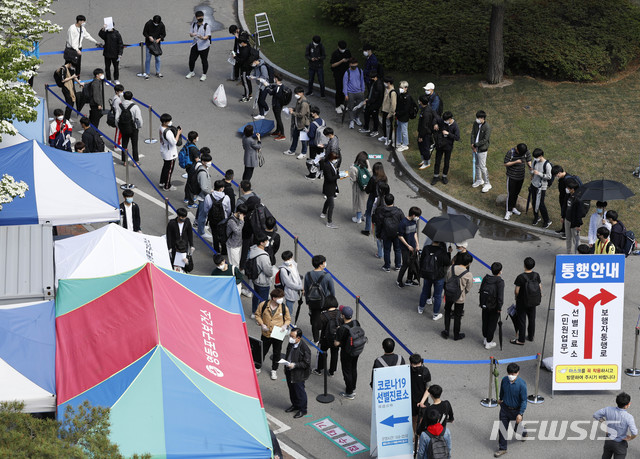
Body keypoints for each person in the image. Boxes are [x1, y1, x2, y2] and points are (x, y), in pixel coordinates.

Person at [255, 289, 291, 380]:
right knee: (262, 351)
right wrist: (262, 324)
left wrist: (285, 325)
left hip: (278, 334)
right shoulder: (263, 305)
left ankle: (274, 370)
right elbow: (257, 315)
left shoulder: (283, 307)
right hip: (266, 333)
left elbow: (288, 319)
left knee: (277, 353)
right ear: (274, 298)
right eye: (279, 297)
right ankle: (257, 367)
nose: (281, 299)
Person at [494, 363, 528, 457]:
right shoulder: (504, 380)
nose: (511, 376)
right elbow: (502, 391)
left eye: (513, 374)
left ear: (518, 373)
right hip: (505, 408)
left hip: (516, 411)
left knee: (517, 429)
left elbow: (524, 400)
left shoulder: (522, 384)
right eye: (509, 374)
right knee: (502, 428)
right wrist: (500, 399)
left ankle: (524, 432)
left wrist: (520, 414)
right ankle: (502, 448)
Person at [593, 392, 638, 459]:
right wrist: (631, 437)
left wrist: (604, 423)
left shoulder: (608, 409)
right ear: (627, 405)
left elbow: (596, 415)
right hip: (620, 444)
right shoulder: (629, 417)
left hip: (608, 441)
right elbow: (634, 432)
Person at [441, 252, 473, 341]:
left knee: (447, 311)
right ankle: (456, 334)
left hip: (449, 293)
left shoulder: (452, 268)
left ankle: (446, 331)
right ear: (469, 263)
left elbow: (447, 279)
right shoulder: (468, 274)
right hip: (460, 297)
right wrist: (462, 292)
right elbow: (468, 288)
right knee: (457, 316)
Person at [304, 255, 335, 342]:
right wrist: (332, 302)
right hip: (324, 301)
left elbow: (306, 289)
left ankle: (316, 339)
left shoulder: (308, 275)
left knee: (314, 320)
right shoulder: (327, 276)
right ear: (321, 265)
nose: (325, 264)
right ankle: (323, 337)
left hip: (312, 301)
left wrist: (307, 301)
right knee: (326, 318)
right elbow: (332, 290)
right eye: (324, 262)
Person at [511, 257, 541, 345]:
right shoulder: (536, 275)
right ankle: (531, 336)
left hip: (522, 302)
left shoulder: (520, 277)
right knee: (532, 319)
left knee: (522, 320)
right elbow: (540, 287)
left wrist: (516, 297)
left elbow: (517, 290)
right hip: (533, 301)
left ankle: (521, 339)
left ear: (524, 265)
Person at [418, 240, 450, 320]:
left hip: (427, 274)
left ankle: (421, 308)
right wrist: (448, 253)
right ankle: (435, 314)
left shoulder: (426, 248)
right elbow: (447, 262)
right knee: (437, 296)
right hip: (438, 276)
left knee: (425, 291)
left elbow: (421, 261)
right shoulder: (442, 251)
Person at [284, 328, 311, 419]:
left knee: (300, 392)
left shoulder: (304, 348)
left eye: (292, 336)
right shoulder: (291, 344)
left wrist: (295, 365)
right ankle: (295, 405)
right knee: (292, 390)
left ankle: (303, 409)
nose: (290, 338)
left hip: (298, 374)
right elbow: (288, 354)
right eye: (290, 336)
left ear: (298, 338)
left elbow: (306, 363)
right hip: (289, 371)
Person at [334, 306, 361, 400]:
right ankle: (353, 386)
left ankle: (349, 392)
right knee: (353, 368)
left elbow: (336, 343)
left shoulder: (342, 329)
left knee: (347, 371)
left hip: (347, 352)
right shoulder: (356, 322)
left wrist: (338, 332)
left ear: (343, 315)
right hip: (356, 350)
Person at [312, 295, 342, 376]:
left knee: (322, 353)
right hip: (336, 338)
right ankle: (332, 371)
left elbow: (318, 327)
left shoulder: (324, 315)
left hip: (325, 338)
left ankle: (319, 369)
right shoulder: (340, 313)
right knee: (335, 354)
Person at [247, 234, 275, 317]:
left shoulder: (253, 250)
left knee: (255, 296)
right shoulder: (264, 256)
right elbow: (268, 271)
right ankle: (260, 317)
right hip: (262, 281)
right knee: (263, 301)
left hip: (255, 278)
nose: (267, 242)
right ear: (261, 243)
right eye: (266, 241)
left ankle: (254, 312)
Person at [502, 143, 532, 220]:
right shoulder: (511, 152)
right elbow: (506, 163)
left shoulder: (526, 152)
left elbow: (529, 160)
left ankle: (513, 207)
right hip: (512, 176)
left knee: (516, 193)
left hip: (520, 176)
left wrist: (531, 168)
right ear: (517, 150)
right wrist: (516, 162)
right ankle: (508, 211)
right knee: (511, 194)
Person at [375, 194, 404, 272]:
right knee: (397, 249)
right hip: (397, 233)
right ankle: (398, 265)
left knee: (387, 250)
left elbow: (379, 224)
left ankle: (387, 266)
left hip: (386, 233)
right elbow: (403, 222)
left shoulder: (380, 211)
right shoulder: (398, 211)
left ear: (385, 201)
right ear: (393, 201)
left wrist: (378, 234)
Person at [431, 111, 460, 186]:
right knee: (437, 161)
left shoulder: (455, 126)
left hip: (448, 147)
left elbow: (457, 137)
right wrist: (435, 124)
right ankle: (436, 176)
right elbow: (435, 118)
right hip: (440, 145)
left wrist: (448, 134)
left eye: (446, 120)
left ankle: (444, 176)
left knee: (446, 162)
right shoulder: (442, 121)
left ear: (450, 119)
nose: (444, 122)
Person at [480, 262, 504, 350]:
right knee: (492, 324)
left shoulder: (486, 278)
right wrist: (499, 307)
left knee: (485, 321)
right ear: (500, 271)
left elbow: (481, 290)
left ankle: (485, 338)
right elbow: (500, 297)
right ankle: (489, 342)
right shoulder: (500, 282)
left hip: (485, 303)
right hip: (494, 306)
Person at [203, 180, 232, 254]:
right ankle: (224, 250)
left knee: (214, 234)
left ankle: (216, 250)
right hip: (223, 219)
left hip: (212, 219)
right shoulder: (226, 198)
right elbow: (228, 210)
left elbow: (206, 209)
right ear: (221, 188)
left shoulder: (208, 197)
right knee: (223, 234)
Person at [396, 206, 422, 288]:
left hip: (413, 246)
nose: (418, 218)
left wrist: (417, 244)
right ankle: (399, 280)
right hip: (405, 248)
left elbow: (414, 233)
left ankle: (409, 280)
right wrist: (408, 246)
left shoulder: (414, 222)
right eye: (417, 216)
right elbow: (400, 236)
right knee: (405, 264)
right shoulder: (403, 223)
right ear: (413, 215)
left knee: (413, 263)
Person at [116, 91, 143, 165]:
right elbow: (138, 119)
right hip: (133, 128)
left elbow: (116, 118)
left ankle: (124, 161)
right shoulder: (135, 107)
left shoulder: (120, 106)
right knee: (134, 145)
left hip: (124, 127)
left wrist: (119, 126)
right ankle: (135, 161)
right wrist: (138, 126)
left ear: (124, 97)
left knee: (124, 143)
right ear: (132, 97)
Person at [528, 148, 553, 228]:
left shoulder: (547, 165)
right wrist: (532, 172)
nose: (535, 159)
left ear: (541, 156)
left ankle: (547, 220)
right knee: (534, 202)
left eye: (536, 157)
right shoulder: (535, 161)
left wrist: (539, 173)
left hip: (542, 187)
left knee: (541, 204)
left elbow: (549, 177)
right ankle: (536, 217)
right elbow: (531, 170)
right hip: (534, 184)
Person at [283, 87, 310, 159]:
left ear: (302, 93)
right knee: (295, 137)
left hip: (303, 124)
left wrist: (293, 112)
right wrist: (293, 109)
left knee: (303, 139)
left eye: (297, 93)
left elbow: (301, 114)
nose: (296, 95)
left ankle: (304, 152)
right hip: (298, 123)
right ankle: (292, 150)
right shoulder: (299, 100)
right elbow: (298, 109)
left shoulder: (304, 103)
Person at [362, 162, 388, 236]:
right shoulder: (384, 178)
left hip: (372, 198)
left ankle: (367, 229)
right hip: (381, 198)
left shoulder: (373, 179)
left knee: (368, 213)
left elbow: (368, 190)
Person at [409, 354, 431, 438]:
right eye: (414, 366)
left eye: (418, 366)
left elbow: (428, 388)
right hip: (412, 399)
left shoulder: (425, 372)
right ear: (411, 364)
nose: (416, 368)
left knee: (421, 420)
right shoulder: (408, 370)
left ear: (421, 362)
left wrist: (422, 401)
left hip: (422, 400)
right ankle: (415, 435)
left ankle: (420, 436)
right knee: (414, 419)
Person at [185, 11, 212, 81]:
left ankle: (204, 74)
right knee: (191, 59)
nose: (200, 18)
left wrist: (202, 38)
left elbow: (207, 36)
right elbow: (190, 34)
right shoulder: (194, 24)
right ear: (196, 18)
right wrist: (192, 34)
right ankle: (191, 72)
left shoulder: (206, 26)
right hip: (195, 44)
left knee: (204, 60)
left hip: (204, 46)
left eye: (201, 16)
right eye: (199, 17)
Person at [470, 110, 492, 192]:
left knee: (483, 166)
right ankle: (479, 179)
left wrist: (476, 145)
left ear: (483, 118)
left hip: (482, 149)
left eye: (478, 118)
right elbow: (472, 133)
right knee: (477, 165)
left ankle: (487, 183)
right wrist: (472, 144)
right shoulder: (475, 124)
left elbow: (485, 139)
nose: (477, 119)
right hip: (475, 148)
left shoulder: (487, 127)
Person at [159, 113, 181, 191]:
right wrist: (178, 133)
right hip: (170, 153)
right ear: (165, 122)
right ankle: (167, 186)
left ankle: (162, 182)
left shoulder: (161, 127)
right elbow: (174, 142)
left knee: (165, 167)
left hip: (164, 150)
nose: (170, 122)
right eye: (169, 121)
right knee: (169, 170)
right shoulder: (168, 132)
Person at [278, 251, 303, 318]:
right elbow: (288, 283)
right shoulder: (283, 269)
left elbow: (297, 276)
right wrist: (300, 287)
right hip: (289, 292)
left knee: (290, 309)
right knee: (289, 311)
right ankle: (286, 325)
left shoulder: (293, 264)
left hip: (295, 290)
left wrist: (301, 286)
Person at [193, 152, 213, 236]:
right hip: (203, 196)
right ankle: (201, 232)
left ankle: (198, 224)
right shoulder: (203, 173)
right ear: (204, 162)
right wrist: (211, 192)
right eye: (208, 161)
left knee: (201, 212)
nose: (210, 163)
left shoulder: (203, 168)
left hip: (202, 195)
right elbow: (204, 187)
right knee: (203, 215)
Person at [343, 58, 365, 130]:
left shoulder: (360, 71)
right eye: (353, 64)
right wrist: (346, 94)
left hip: (359, 92)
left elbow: (362, 81)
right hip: (350, 92)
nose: (354, 66)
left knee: (361, 106)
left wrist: (362, 90)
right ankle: (351, 120)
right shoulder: (347, 73)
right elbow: (345, 84)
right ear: (350, 64)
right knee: (351, 107)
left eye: (355, 64)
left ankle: (356, 117)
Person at [349, 151, 371, 223]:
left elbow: (354, 179)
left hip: (358, 188)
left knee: (358, 203)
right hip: (366, 187)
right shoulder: (366, 167)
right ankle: (364, 216)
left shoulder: (354, 168)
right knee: (365, 202)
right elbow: (369, 171)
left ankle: (358, 218)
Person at [142, 15, 166, 79]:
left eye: (157, 23)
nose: (156, 24)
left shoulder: (161, 25)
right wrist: (149, 37)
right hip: (149, 44)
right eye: (155, 23)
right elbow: (144, 33)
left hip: (156, 45)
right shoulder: (148, 24)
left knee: (158, 59)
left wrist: (159, 39)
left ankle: (158, 72)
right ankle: (147, 73)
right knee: (148, 59)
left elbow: (164, 34)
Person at [321, 152, 341, 229]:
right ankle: (329, 222)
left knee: (328, 201)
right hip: (329, 187)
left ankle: (323, 212)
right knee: (331, 205)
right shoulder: (327, 166)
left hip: (331, 187)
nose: (336, 160)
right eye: (335, 159)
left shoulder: (330, 164)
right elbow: (330, 178)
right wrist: (338, 176)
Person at [360, 71, 383, 137]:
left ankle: (375, 130)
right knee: (366, 114)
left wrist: (367, 101)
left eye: (372, 78)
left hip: (375, 104)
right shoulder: (374, 82)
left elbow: (375, 97)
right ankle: (366, 128)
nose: (370, 79)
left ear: (375, 77)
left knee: (375, 117)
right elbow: (371, 92)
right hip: (370, 103)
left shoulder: (379, 85)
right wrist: (367, 98)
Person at [330, 40, 351, 112]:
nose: (343, 50)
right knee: (339, 89)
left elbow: (350, 60)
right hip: (338, 74)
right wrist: (341, 61)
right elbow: (332, 65)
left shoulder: (347, 52)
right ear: (338, 47)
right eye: (342, 49)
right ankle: (337, 105)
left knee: (344, 89)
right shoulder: (335, 54)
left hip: (345, 74)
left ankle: (342, 103)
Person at [417, 95, 437, 170]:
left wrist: (421, 136)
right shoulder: (426, 109)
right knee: (421, 146)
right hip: (424, 132)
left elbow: (425, 126)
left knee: (425, 147)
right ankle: (424, 160)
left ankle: (426, 162)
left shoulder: (426, 113)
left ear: (421, 102)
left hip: (425, 133)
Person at [305, 106, 326, 179]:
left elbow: (311, 135)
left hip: (313, 144)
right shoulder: (323, 121)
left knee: (312, 159)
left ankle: (312, 175)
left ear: (314, 114)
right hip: (321, 143)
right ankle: (321, 173)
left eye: (312, 113)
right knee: (320, 158)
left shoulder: (313, 124)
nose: (311, 114)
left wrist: (307, 132)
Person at [564, 179, 583, 254]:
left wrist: (578, 224)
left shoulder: (578, 200)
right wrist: (563, 216)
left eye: (569, 188)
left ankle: (578, 254)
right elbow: (565, 206)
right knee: (568, 238)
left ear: (573, 189)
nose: (567, 190)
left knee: (576, 240)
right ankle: (568, 253)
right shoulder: (569, 196)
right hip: (567, 220)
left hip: (574, 223)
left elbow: (579, 213)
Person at [226, 203, 247, 269]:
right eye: (243, 214)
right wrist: (242, 221)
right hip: (233, 245)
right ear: (239, 213)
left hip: (238, 243)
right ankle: (235, 276)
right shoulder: (231, 221)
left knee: (236, 262)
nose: (244, 216)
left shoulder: (239, 218)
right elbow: (237, 231)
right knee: (234, 264)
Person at [395, 81, 414, 151]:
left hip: (404, 116)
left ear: (406, 88)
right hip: (400, 115)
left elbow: (406, 109)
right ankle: (399, 141)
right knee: (399, 129)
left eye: (401, 87)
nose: (400, 89)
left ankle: (405, 144)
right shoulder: (401, 95)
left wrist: (397, 113)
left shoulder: (408, 97)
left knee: (404, 130)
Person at [268, 72, 287, 140]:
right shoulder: (281, 86)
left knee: (278, 119)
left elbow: (271, 93)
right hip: (279, 104)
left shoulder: (278, 88)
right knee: (277, 118)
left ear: (276, 79)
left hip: (277, 105)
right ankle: (277, 131)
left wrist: (267, 88)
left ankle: (282, 134)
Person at [378, 77, 396, 146]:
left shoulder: (392, 92)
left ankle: (389, 139)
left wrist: (390, 113)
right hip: (384, 110)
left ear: (388, 83)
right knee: (384, 124)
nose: (384, 84)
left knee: (389, 125)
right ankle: (385, 136)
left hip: (389, 112)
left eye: (385, 82)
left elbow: (393, 104)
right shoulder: (386, 89)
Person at [236, 38, 254, 102]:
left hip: (244, 68)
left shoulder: (244, 51)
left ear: (243, 42)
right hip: (249, 67)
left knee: (245, 82)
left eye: (240, 43)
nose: (240, 44)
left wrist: (235, 57)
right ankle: (250, 94)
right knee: (248, 81)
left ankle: (247, 97)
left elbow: (241, 60)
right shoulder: (248, 47)